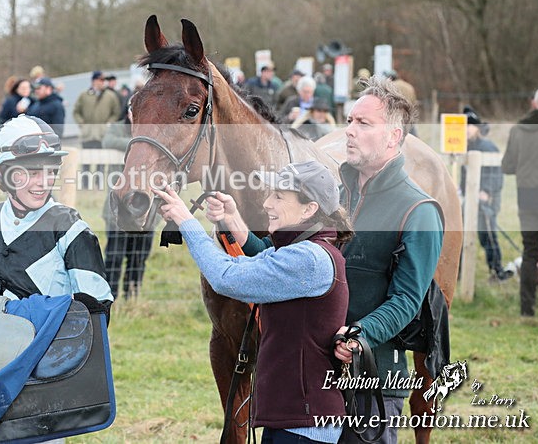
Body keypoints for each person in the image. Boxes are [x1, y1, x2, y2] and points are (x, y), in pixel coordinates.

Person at [154, 160, 352, 444]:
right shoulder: (304, 251)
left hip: (303, 425)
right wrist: (233, 218)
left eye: (279, 197)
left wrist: (187, 222)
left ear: (309, 210)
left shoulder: (308, 259)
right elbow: (262, 260)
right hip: (295, 417)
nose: (267, 204)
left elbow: (226, 276)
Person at [333, 75, 443, 444]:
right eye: (349, 120)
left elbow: (407, 301)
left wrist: (358, 338)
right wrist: (233, 227)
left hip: (373, 380)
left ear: (393, 137)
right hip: (311, 373)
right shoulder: (335, 196)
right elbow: (287, 256)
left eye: (363, 123)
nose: (349, 130)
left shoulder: (418, 210)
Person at [0, 115, 112, 305]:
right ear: (3, 173)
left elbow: (97, 311)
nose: (43, 183)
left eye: (50, 172)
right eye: (32, 173)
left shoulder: (72, 231)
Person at [501, 86, 538, 317]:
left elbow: (507, 166)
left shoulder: (518, 130)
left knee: (530, 253)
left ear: (534, 103)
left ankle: (527, 310)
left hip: (528, 199)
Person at [101, 110, 154, 299]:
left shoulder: (155, 130)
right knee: (114, 256)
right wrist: (141, 144)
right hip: (119, 207)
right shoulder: (117, 128)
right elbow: (107, 141)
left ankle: (132, 295)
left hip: (147, 207)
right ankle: (110, 296)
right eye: (133, 108)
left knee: (138, 256)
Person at [459, 106, 509, 281]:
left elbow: (496, 174)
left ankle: (497, 271)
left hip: (486, 201)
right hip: (468, 200)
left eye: (469, 126)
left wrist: (486, 192)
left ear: (477, 128)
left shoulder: (488, 147)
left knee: (487, 235)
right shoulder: (463, 148)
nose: (465, 130)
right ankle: (458, 273)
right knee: (460, 236)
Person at [73, 70, 121, 188]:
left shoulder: (110, 96)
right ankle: (85, 185)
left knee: (101, 161)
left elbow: (116, 112)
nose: (102, 82)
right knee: (86, 162)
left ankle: (98, 184)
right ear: (93, 81)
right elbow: (76, 112)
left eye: (104, 80)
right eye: (100, 80)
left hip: (102, 134)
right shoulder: (84, 95)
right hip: (87, 134)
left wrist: (109, 123)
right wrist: (82, 124)